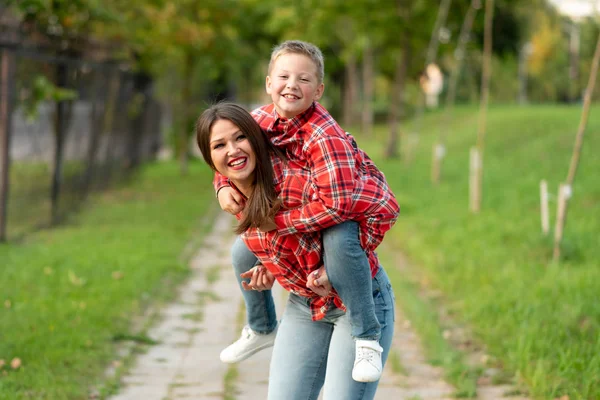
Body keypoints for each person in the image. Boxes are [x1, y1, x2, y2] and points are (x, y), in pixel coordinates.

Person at [213, 40, 399, 382]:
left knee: (340, 239)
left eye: (304, 79)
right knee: (242, 250)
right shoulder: (258, 122)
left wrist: (276, 226)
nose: (292, 85)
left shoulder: (324, 137)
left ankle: (367, 335)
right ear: (269, 83)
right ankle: (261, 326)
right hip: (305, 300)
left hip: (348, 251)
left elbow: (336, 206)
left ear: (319, 89)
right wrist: (222, 185)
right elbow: (228, 152)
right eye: (284, 76)